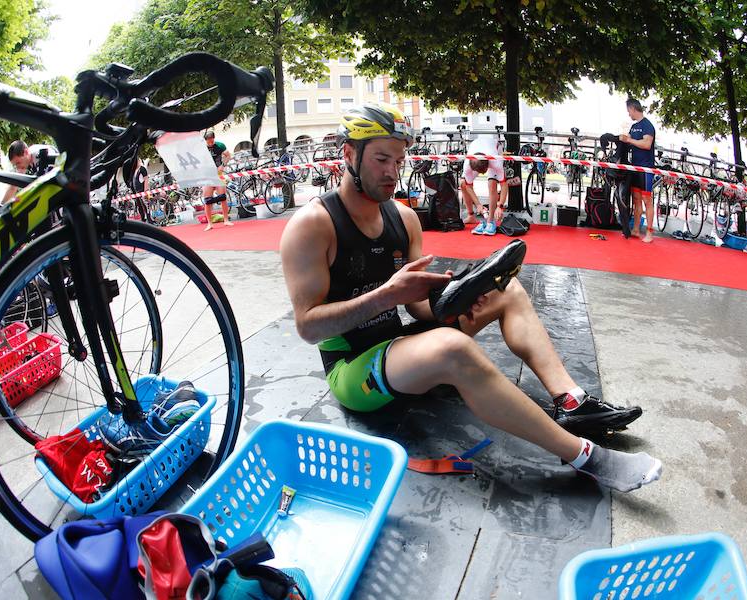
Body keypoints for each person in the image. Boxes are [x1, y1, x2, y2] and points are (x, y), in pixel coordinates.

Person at [279, 103, 661, 493]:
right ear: (349, 155)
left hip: (398, 347)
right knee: (452, 347)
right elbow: (308, 327)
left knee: (505, 290)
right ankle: (585, 457)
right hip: (352, 369)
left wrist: (460, 297)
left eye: (399, 160)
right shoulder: (313, 224)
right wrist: (383, 297)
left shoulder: (404, 218)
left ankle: (572, 400)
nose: (392, 172)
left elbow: (417, 307)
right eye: (381, 159)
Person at [619, 99, 656, 243]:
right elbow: (628, 143)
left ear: (633, 108)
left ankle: (649, 233)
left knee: (647, 200)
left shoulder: (647, 125)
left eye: (628, 111)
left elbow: (647, 144)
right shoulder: (633, 127)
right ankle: (635, 229)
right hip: (634, 167)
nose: (628, 114)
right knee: (636, 200)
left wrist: (629, 140)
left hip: (646, 169)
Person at [461, 135, 506, 236]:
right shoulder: (467, 165)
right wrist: (478, 205)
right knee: (462, 183)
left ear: (487, 166)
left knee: (492, 184)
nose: (481, 174)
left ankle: (490, 221)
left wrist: (500, 206)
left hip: (495, 149)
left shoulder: (495, 162)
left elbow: (504, 185)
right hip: (477, 149)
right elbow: (468, 186)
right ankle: (471, 216)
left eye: (483, 172)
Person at [203, 130, 232, 231]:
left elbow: (228, 155)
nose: (210, 143)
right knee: (208, 200)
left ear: (213, 139)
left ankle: (226, 220)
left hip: (219, 174)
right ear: (205, 140)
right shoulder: (202, 147)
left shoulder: (220, 145)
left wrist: (223, 166)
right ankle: (209, 223)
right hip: (207, 176)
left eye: (211, 141)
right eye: (208, 141)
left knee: (222, 197)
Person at [124, 157, 151, 223]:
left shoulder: (142, 168)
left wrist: (145, 190)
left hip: (142, 190)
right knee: (139, 205)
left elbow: (146, 179)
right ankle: (143, 218)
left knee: (145, 205)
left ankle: (149, 218)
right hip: (136, 191)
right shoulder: (134, 171)